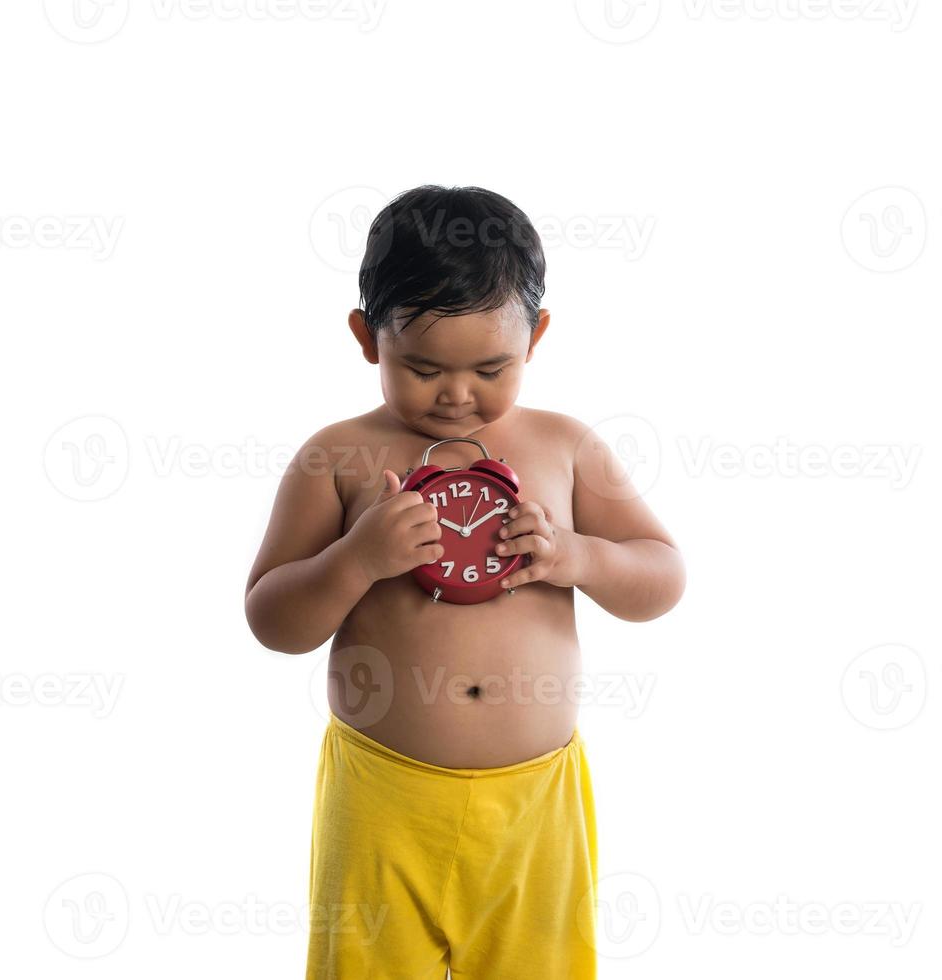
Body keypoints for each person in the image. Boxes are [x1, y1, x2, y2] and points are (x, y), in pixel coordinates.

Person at [244, 184, 686, 979]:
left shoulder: (564, 446)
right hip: (382, 795)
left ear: (536, 338)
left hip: (534, 804)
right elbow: (272, 620)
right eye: (419, 368)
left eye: (490, 367)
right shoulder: (336, 456)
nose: (456, 395)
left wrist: (574, 557)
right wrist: (356, 561)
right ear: (364, 338)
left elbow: (662, 577)